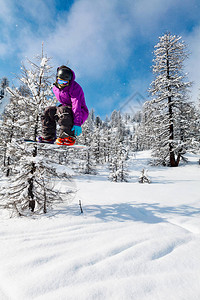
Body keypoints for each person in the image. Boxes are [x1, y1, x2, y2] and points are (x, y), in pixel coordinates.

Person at [37, 65, 89, 145]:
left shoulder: (75, 88)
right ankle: (48, 136)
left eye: (65, 82)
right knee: (48, 111)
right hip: (65, 110)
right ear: (57, 79)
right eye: (60, 81)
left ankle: (67, 137)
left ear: (69, 81)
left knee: (63, 110)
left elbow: (76, 105)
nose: (62, 84)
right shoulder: (55, 88)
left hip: (79, 112)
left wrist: (77, 123)